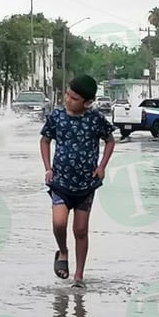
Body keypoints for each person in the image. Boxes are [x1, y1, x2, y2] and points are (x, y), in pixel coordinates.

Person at [40, 74, 116, 288]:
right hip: (60, 181)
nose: (68, 99)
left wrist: (102, 166)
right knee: (59, 222)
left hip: (86, 184)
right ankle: (63, 252)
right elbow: (45, 141)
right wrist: (48, 168)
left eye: (74, 98)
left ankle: (79, 276)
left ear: (87, 102)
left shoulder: (95, 119)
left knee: (81, 230)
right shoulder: (56, 117)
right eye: (67, 95)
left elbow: (110, 141)